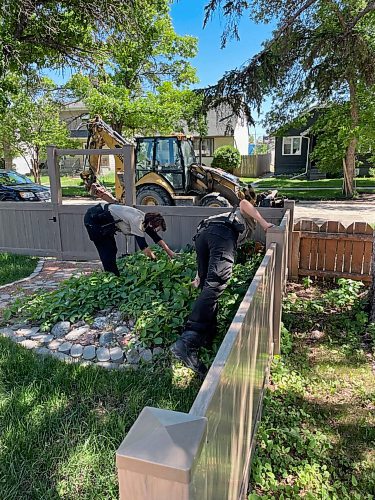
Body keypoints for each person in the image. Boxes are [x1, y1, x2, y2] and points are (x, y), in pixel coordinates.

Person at [170, 197, 274, 377]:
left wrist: (198, 275)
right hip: (221, 232)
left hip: (203, 234)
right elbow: (243, 202)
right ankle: (188, 342)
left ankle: (206, 336)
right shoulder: (247, 213)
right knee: (216, 284)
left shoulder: (227, 218)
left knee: (206, 286)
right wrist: (265, 224)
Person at [84, 200, 175, 276]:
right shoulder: (138, 221)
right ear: (151, 224)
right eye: (156, 228)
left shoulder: (145, 219)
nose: (155, 231)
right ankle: (111, 278)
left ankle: (114, 276)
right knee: (107, 251)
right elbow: (144, 247)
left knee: (112, 249)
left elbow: (156, 238)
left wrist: (169, 252)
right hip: (94, 219)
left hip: (105, 221)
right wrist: (156, 262)